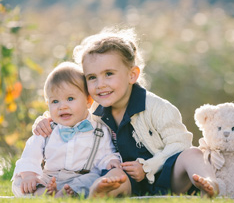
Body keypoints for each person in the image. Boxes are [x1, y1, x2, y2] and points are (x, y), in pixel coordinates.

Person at [33, 27, 219, 198]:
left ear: (132, 75)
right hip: (127, 181)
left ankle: (209, 183)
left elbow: (180, 143)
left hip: (167, 177)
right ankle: (100, 190)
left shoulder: (156, 107)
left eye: (109, 74)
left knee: (192, 153)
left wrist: (148, 168)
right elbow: (67, 114)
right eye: (92, 77)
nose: (100, 84)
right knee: (113, 175)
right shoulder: (95, 112)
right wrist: (45, 121)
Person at [11, 62, 121, 198]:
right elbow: (30, 153)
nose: (62, 106)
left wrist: (111, 161)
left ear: (88, 101)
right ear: (48, 104)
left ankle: (69, 192)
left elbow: (106, 154)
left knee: (94, 178)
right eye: (55, 101)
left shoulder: (99, 130)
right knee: (19, 182)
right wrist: (29, 175)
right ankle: (44, 192)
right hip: (50, 177)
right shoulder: (46, 129)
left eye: (70, 99)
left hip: (82, 176)